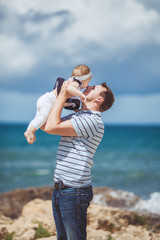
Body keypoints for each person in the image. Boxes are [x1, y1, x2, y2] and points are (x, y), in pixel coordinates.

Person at [41, 80, 115, 240]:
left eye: (93, 88)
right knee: (63, 238)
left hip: (74, 191)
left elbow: (51, 127)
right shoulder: (79, 116)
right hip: (61, 189)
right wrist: (50, 99)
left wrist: (62, 95)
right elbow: (45, 124)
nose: (88, 86)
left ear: (99, 100)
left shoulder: (92, 121)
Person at [24, 64, 92, 144]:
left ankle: (29, 131)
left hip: (45, 99)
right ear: (83, 80)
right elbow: (69, 89)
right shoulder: (76, 83)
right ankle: (31, 131)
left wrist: (77, 110)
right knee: (43, 117)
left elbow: (70, 99)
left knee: (39, 118)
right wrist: (80, 94)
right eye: (88, 82)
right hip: (48, 101)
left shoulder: (71, 81)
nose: (87, 86)